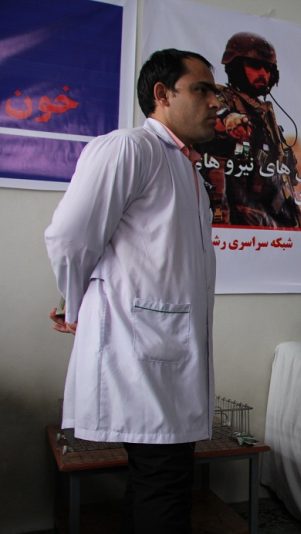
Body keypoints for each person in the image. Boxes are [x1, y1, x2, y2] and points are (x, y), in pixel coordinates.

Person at [44, 49, 220, 533]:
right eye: (201, 89)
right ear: (162, 94)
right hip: (139, 349)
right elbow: (69, 237)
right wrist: (75, 304)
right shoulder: (130, 148)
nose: (215, 102)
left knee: (158, 482)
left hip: (166, 350)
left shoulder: (188, 171)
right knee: (163, 484)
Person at [195, 32, 301, 228]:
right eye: (255, 66)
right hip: (237, 211)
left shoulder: (263, 112)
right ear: (237, 67)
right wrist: (230, 120)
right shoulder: (222, 97)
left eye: (268, 69)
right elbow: (219, 114)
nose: (263, 74)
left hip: (269, 212)